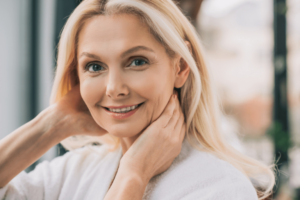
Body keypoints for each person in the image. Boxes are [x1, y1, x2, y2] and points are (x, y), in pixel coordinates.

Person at [0, 0, 275, 199]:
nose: (113, 88)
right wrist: (50, 124)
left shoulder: (218, 188)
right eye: (94, 66)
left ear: (180, 68)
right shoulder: (75, 170)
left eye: (137, 61)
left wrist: (134, 174)